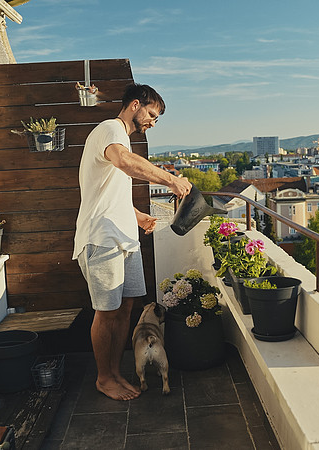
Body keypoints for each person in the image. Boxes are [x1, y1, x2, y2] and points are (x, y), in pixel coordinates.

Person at [73, 83, 192, 400]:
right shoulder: (110, 129)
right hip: (101, 238)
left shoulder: (121, 138)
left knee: (126, 308)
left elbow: (111, 193)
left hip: (124, 236)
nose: (154, 122)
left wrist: (138, 216)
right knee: (107, 311)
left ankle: (114, 373)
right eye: (152, 114)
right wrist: (171, 178)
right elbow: (125, 161)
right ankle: (103, 378)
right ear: (135, 105)